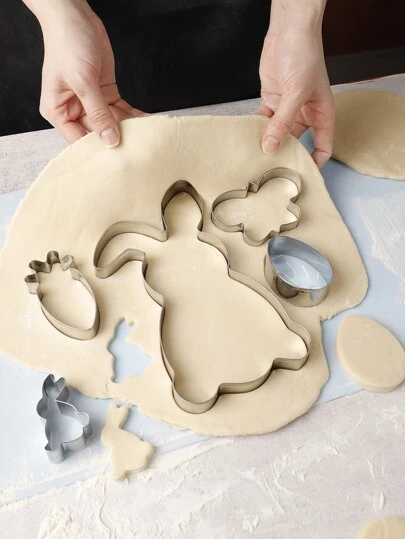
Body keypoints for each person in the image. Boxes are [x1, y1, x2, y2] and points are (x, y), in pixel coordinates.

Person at [22, 0, 334, 167]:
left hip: (233, 33)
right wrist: (59, 14)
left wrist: (297, 15)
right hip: (75, 35)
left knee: (254, 133)